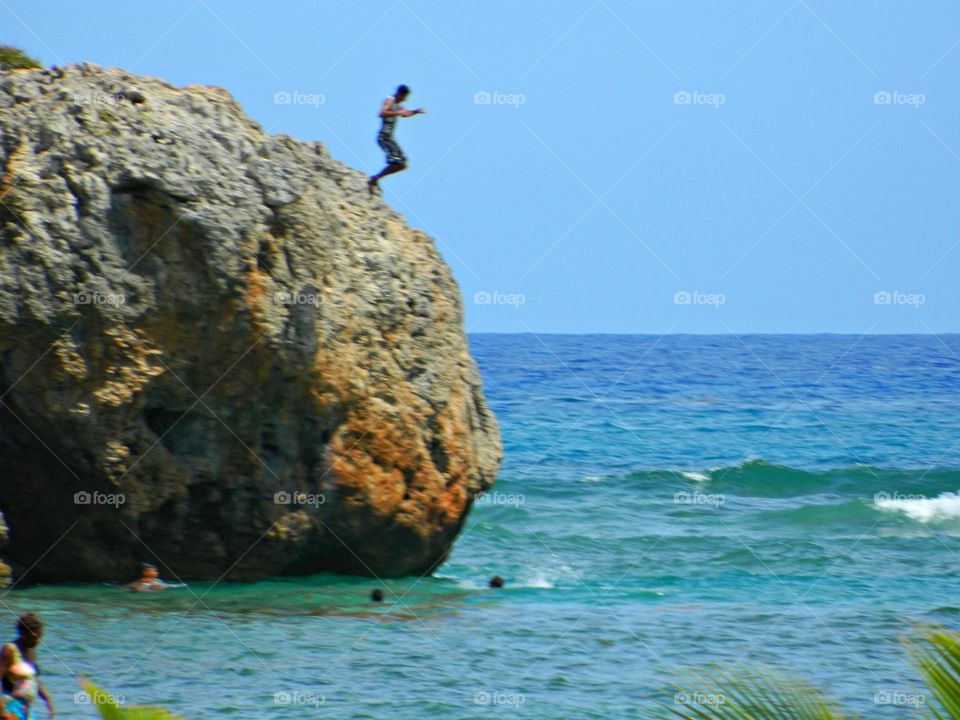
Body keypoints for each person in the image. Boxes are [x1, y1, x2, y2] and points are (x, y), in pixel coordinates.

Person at [367, 84, 425, 194]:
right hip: (384, 137)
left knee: (403, 164)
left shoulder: (398, 105)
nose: (405, 99)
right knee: (397, 162)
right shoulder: (390, 100)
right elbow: (381, 113)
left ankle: (375, 178)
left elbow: (405, 114)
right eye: (404, 97)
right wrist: (398, 112)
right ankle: (374, 180)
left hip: (390, 138)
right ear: (400, 94)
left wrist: (415, 112)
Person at [0, 613, 54, 719]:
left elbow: (33, 679)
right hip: (10, 705)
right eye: (35, 636)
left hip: (26, 707)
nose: (38, 640)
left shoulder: (31, 651)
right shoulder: (10, 650)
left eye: (39, 637)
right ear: (24, 634)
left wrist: (47, 700)